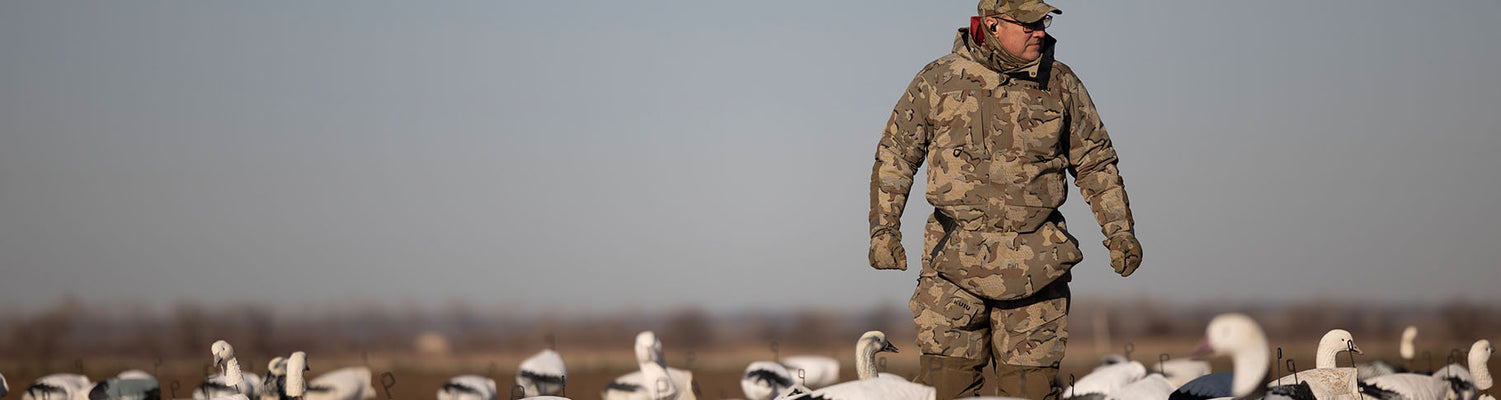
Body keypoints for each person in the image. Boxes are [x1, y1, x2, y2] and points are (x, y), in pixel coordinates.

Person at [867, 0, 1142, 398]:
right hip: (953, 271)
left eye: (1043, 21)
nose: (1040, 32)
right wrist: (883, 231)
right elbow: (895, 156)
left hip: (1037, 273)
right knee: (945, 391)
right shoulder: (938, 80)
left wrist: (1120, 233)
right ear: (992, 24)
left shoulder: (1061, 84)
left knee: (1031, 392)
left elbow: (1097, 163)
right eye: (1028, 23)